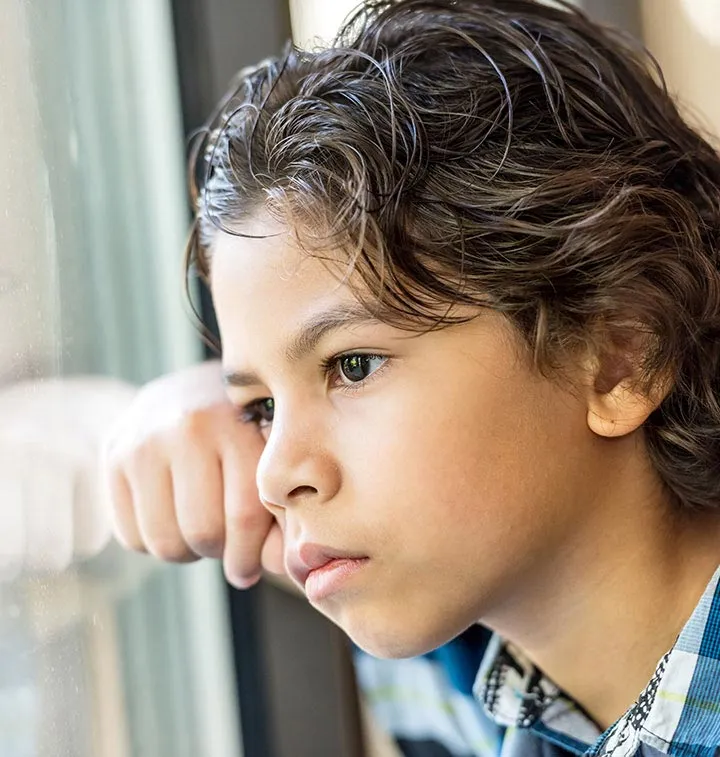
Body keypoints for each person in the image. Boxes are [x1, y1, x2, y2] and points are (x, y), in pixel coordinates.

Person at [105, 1, 720, 755]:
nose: (273, 477)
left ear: (621, 358)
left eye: (352, 366)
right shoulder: (452, 663)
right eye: (261, 408)